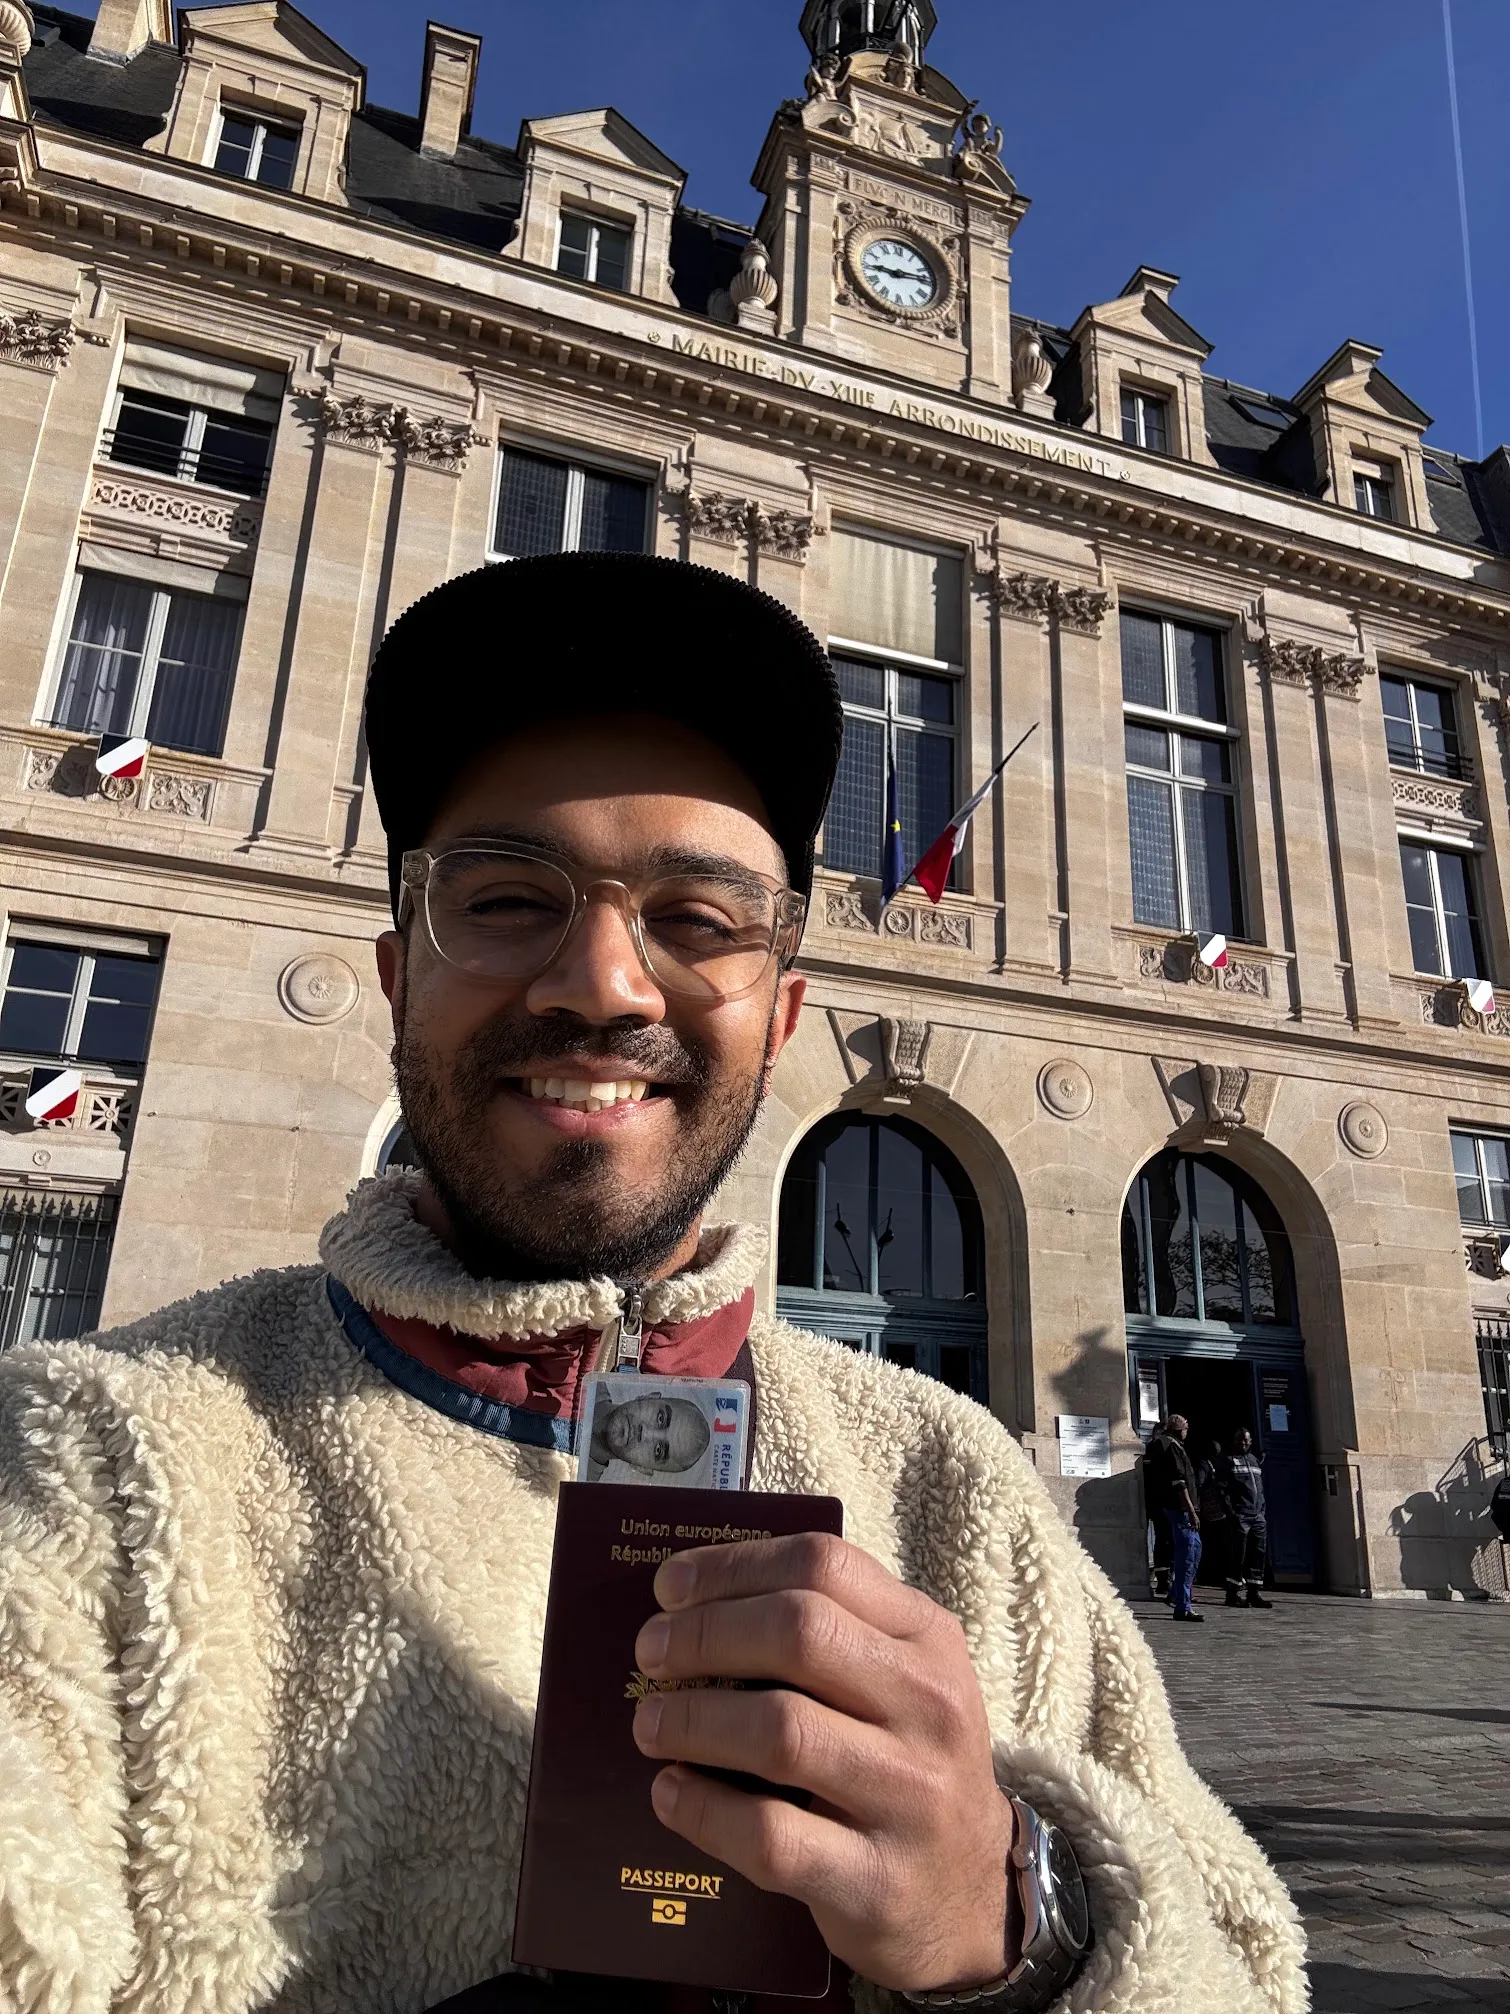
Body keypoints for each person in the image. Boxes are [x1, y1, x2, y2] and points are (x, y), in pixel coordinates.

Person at [0, 555, 1305, 2014]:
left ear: (784, 1009)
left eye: (695, 919)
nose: (604, 984)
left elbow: (1239, 1954)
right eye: (504, 898)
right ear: (393, 974)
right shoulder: (84, 1467)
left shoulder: (957, 1484)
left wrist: (1012, 1922)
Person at [1144, 1414, 1203, 1621]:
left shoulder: (1166, 1445)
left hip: (1178, 1510)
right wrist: (1191, 1510)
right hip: (1180, 1510)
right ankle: (1183, 1606)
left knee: (1194, 1553)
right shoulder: (1171, 1447)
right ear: (1180, 1430)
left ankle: (1177, 1595)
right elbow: (1179, 1483)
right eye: (1186, 1428)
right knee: (1187, 1556)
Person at [585, 1387, 712, 1481]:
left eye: (658, 1450)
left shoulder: (577, 1496)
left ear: (643, 1469)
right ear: (650, 1396)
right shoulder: (588, 1363)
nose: (645, 1433)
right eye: (660, 1419)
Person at [1221, 1426, 1273, 1609]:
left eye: (1246, 1441)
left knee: (1258, 1554)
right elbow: (1222, 1490)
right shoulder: (1228, 1461)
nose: (1243, 1444)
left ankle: (1254, 1592)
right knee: (1238, 1555)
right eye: (1240, 1441)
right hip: (1240, 1515)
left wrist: (1262, 1509)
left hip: (1257, 1515)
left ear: (1251, 1442)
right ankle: (1232, 1593)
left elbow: (1260, 1488)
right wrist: (1232, 1513)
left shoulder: (1254, 1461)